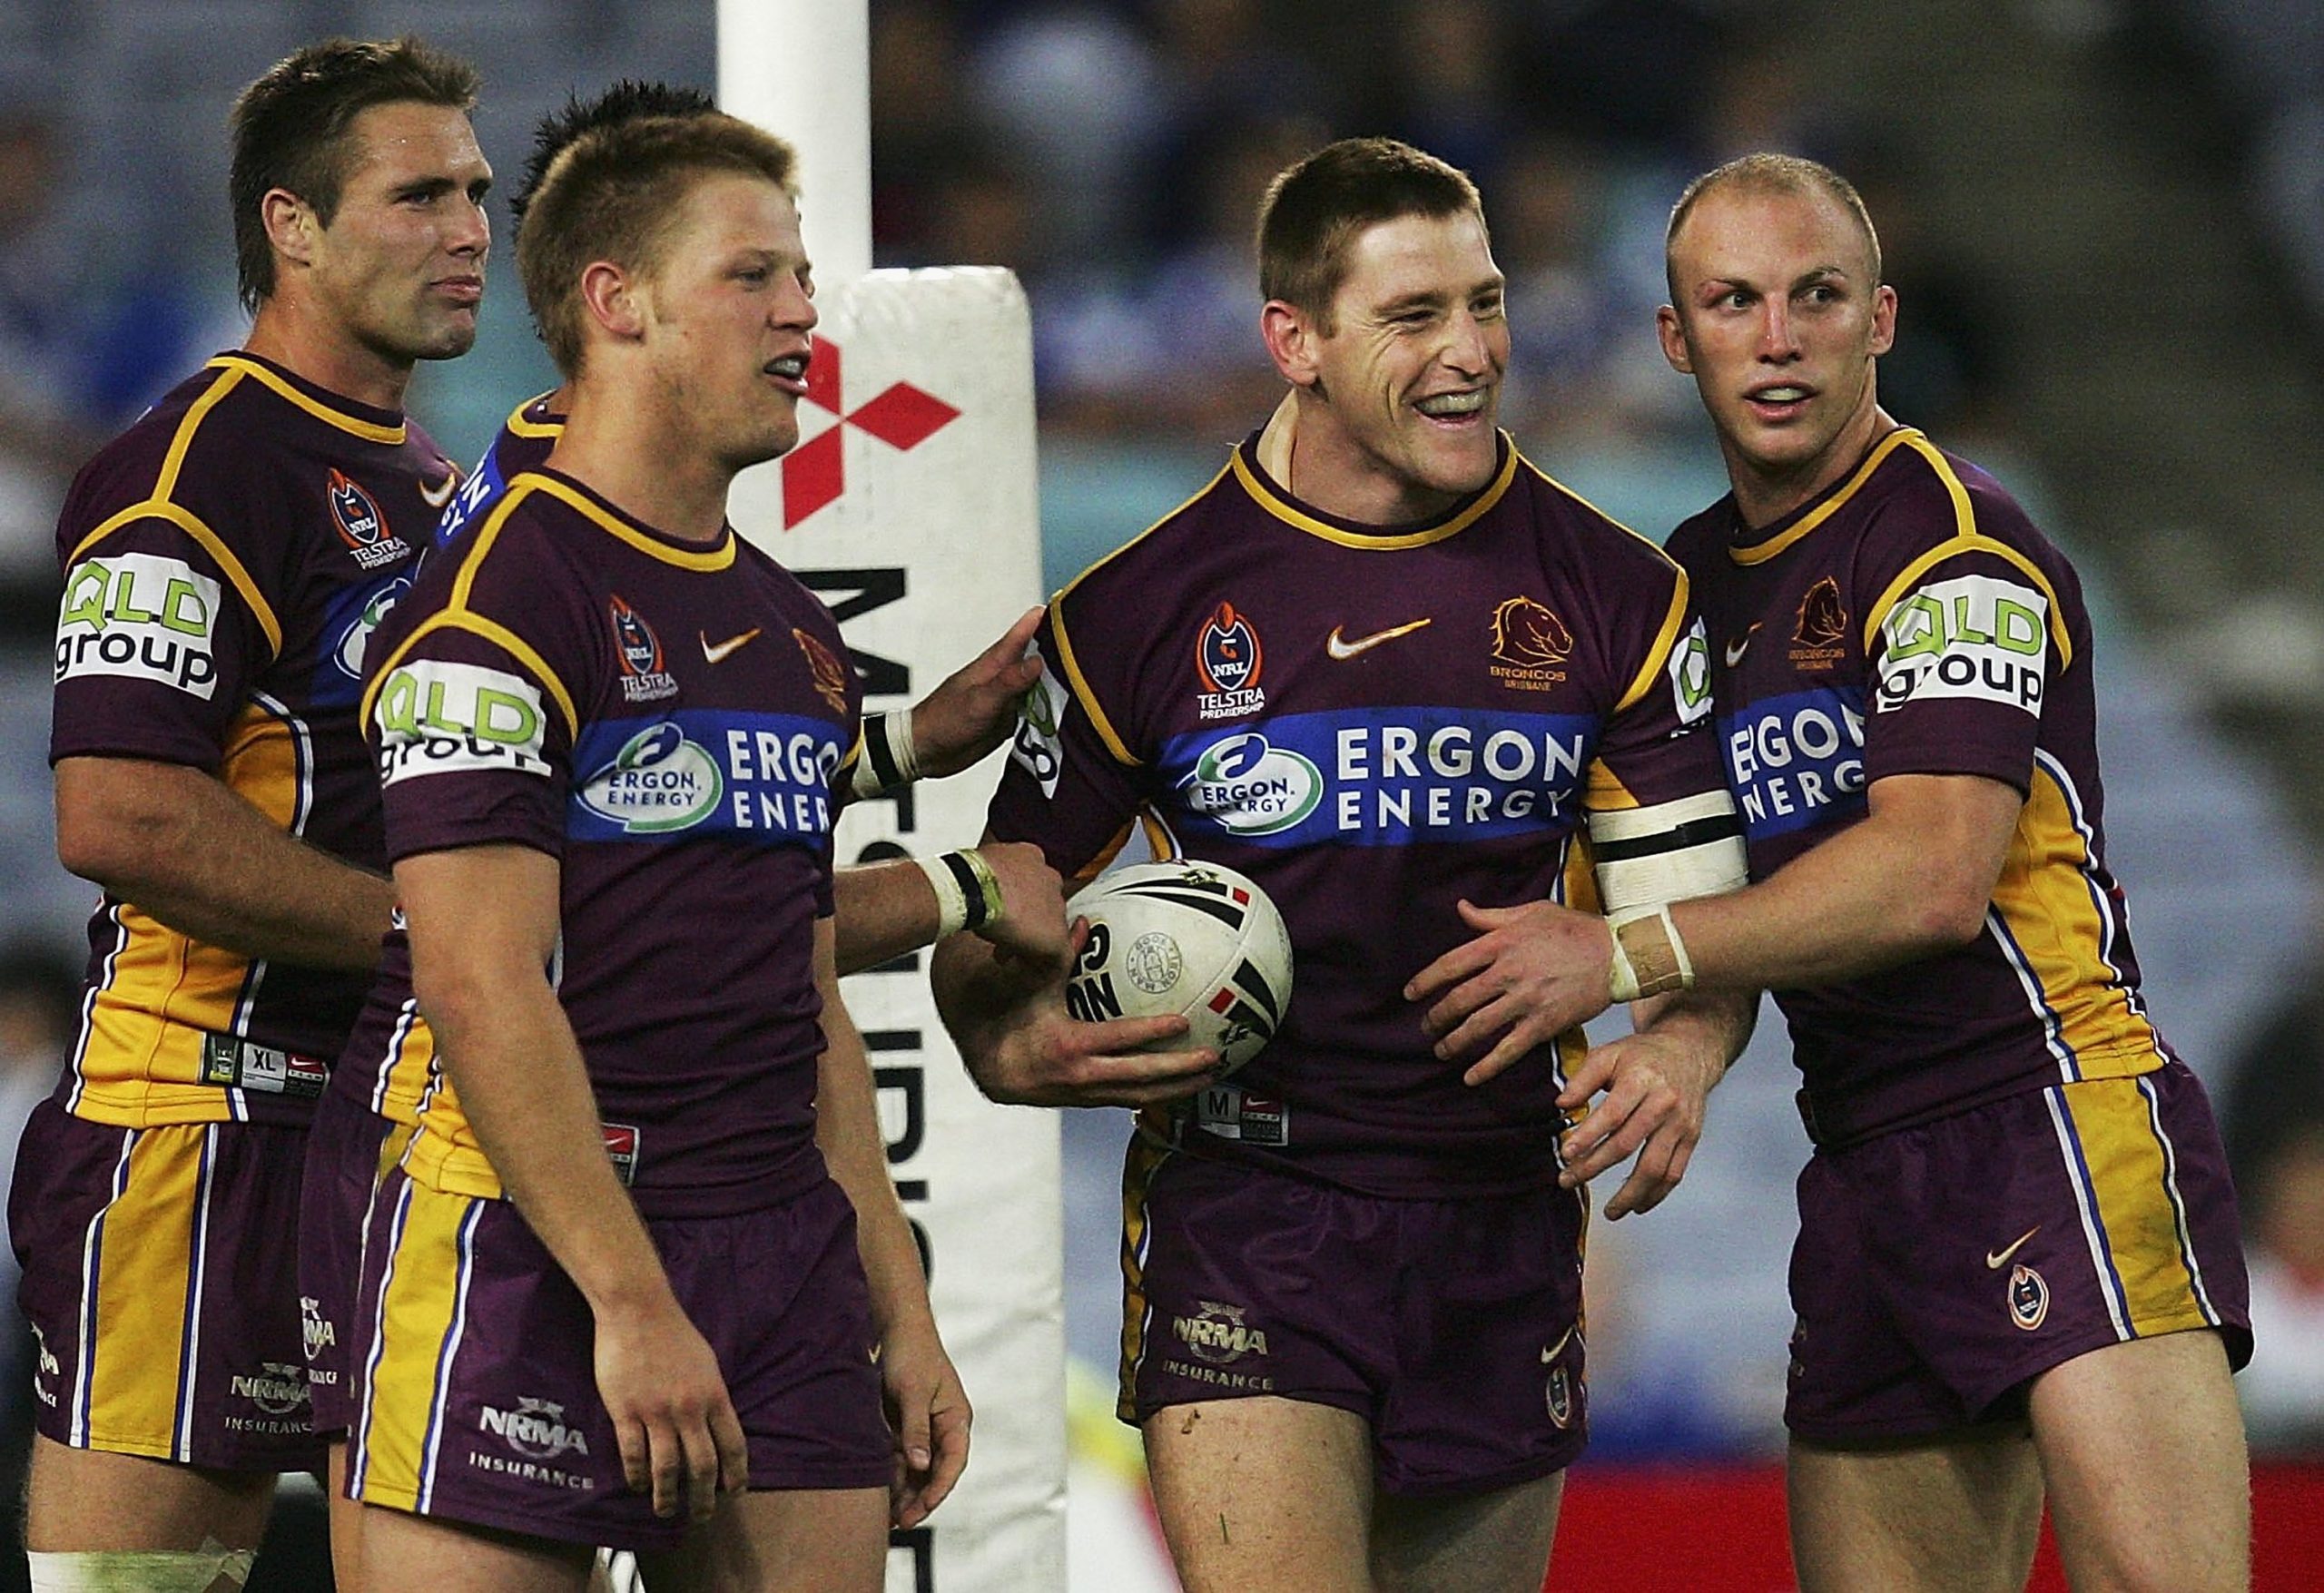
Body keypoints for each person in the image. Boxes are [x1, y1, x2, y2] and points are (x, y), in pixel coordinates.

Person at [1408, 152, 2253, 1592]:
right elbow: (1695, 884)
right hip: (1863, 1165)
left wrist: (1627, 965)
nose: (1778, 337)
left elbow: (1931, 876)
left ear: (1882, 320)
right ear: (1677, 340)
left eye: (1817, 297)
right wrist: (1677, 1046)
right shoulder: (1673, 593)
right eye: (1733, 302)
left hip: (2054, 1115)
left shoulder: (1955, 545)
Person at [933, 136, 1750, 1592]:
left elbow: (1695, 919)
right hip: (1250, 1218)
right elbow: (995, 917)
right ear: (1293, 341)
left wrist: (1682, 1047)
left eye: (1486, 303)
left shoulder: (1621, 595)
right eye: (1413, 316)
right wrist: (1002, 1040)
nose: (1471, 354)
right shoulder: (1138, 612)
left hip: (1501, 1215)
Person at [302, 75, 1064, 1590]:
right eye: (755, 275)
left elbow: (801, 991)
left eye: (802, 275)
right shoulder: (500, 601)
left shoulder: (792, 629)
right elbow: (479, 982)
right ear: (618, 302)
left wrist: (898, 1308)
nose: (804, 317)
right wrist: (629, 1297)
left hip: (773, 1242)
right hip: (513, 1235)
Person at [24, 37, 488, 1588]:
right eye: (419, 193)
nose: (471, 229)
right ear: (290, 226)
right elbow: (123, 816)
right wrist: (448, 939)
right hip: (203, 1121)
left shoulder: (439, 481)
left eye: (479, 193)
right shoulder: (198, 465)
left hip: (394, 1116)